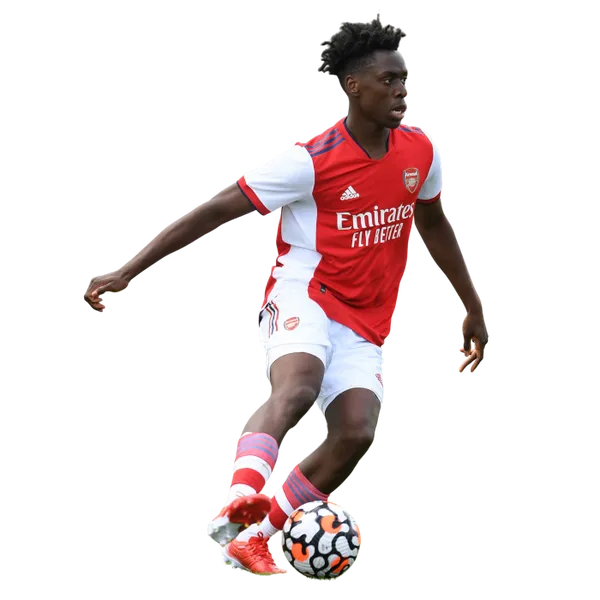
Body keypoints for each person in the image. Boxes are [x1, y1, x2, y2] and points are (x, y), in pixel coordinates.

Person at [83, 19, 488, 576]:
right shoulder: (310, 160)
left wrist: (472, 305)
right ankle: (238, 500)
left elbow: (434, 223)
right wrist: (129, 270)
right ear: (353, 86)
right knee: (298, 386)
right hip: (307, 292)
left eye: (405, 79)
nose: (403, 90)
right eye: (389, 80)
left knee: (356, 431)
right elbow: (217, 209)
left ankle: (255, 536)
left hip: (368, 316)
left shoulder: (421, 149)